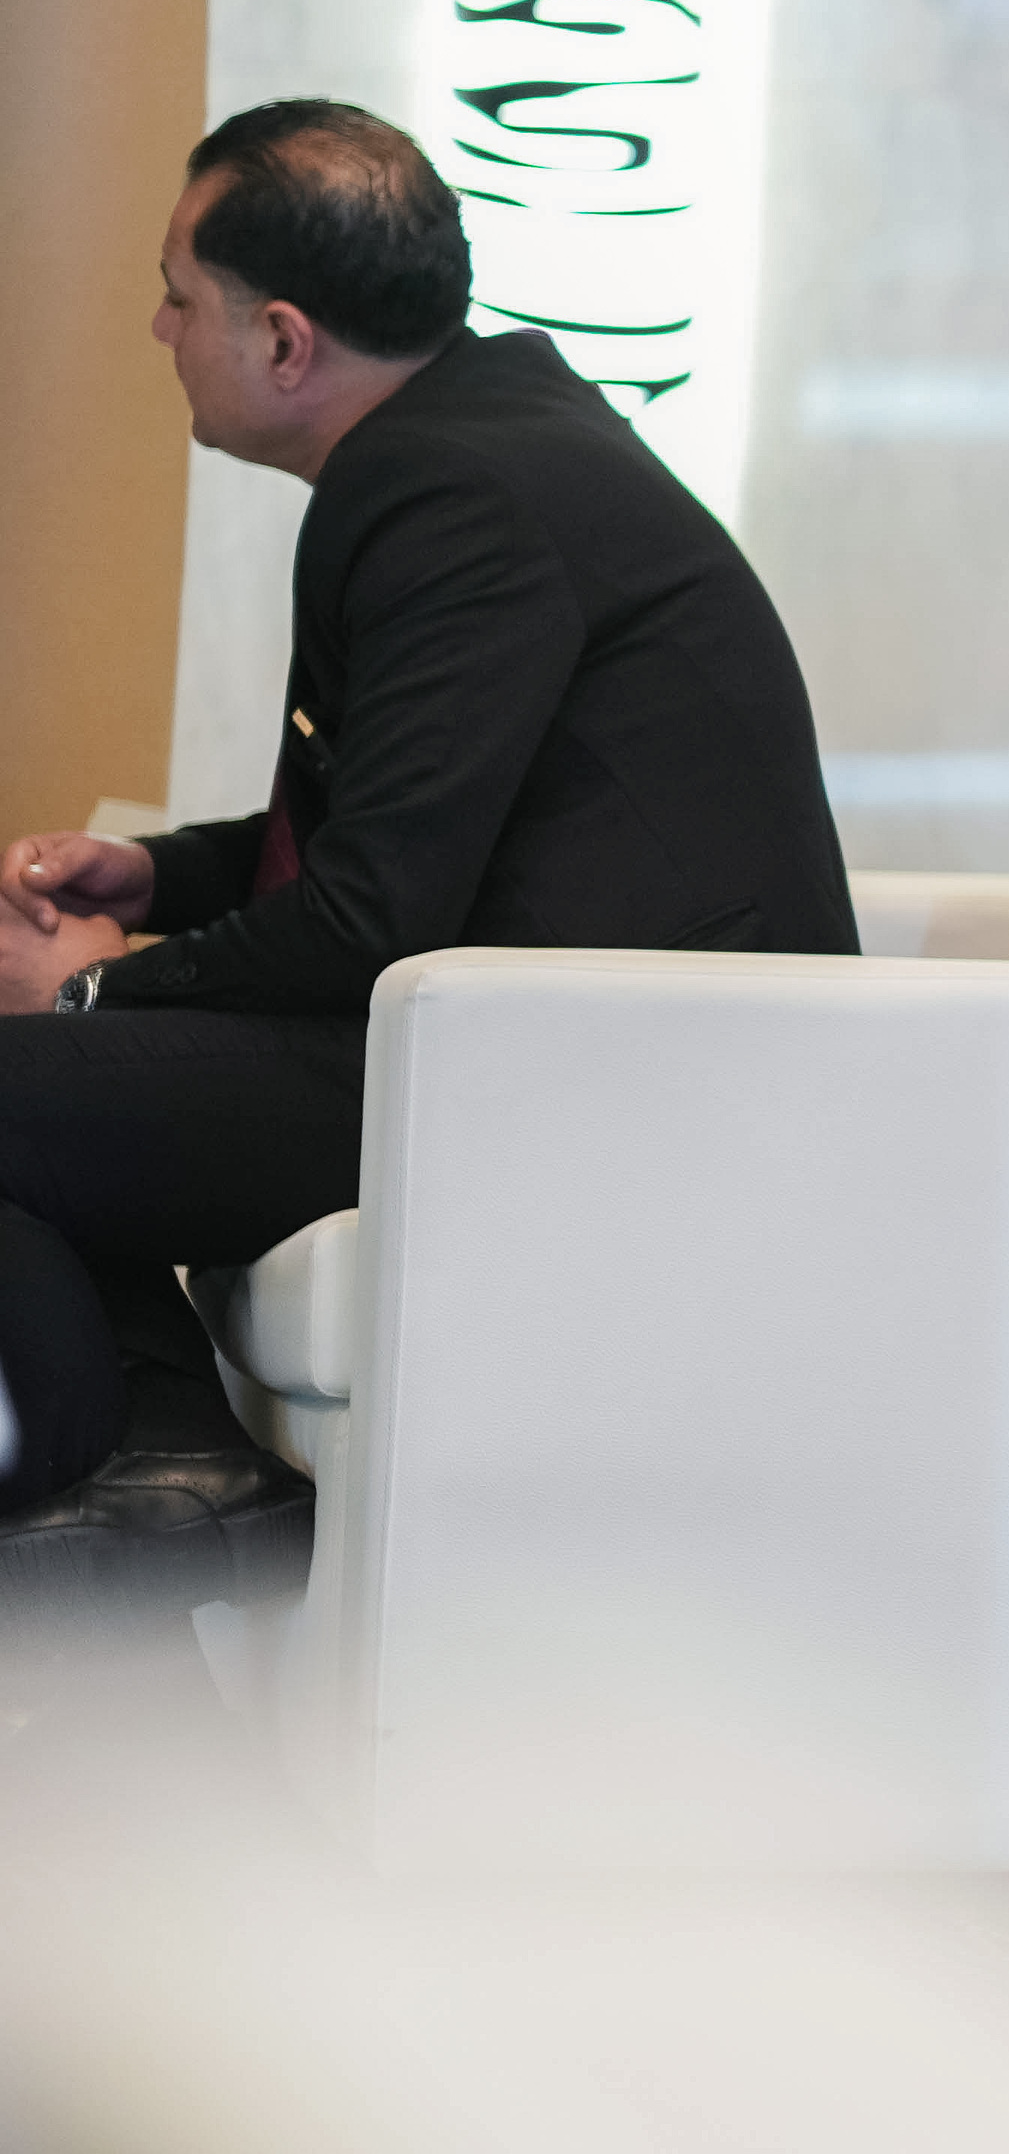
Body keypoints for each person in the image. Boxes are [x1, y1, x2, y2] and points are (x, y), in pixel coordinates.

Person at [0, 102, 849, 1595]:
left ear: (283, 340)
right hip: (519, 1027)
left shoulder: (446, 493)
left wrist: (92, 991)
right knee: (64, 1097)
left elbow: (370, 914)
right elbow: (399, 828)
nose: (158, 330)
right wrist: (160, 878)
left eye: (177, 298)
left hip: (587, 1077)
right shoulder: (479, 439)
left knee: (37, 1075)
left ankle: (129, 1476)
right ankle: (172, 1465)